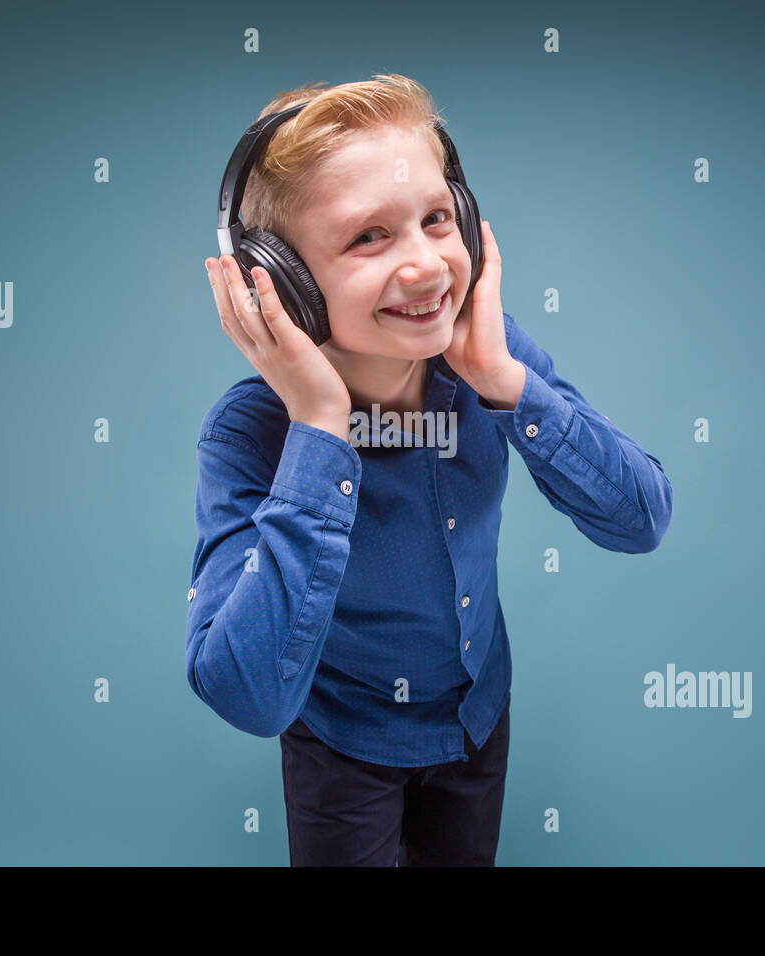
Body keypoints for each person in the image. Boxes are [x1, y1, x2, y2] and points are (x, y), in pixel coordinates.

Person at [188, 73, 673, 866]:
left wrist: (506, 383)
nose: (424, 266)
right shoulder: (248, 431)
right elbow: (248, 694)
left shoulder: (492, 352)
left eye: (437, 220)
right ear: (280, 282)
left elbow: (641, 518)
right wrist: (319, 426)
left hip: (476, 717)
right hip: (342, 738)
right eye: (368, 237)